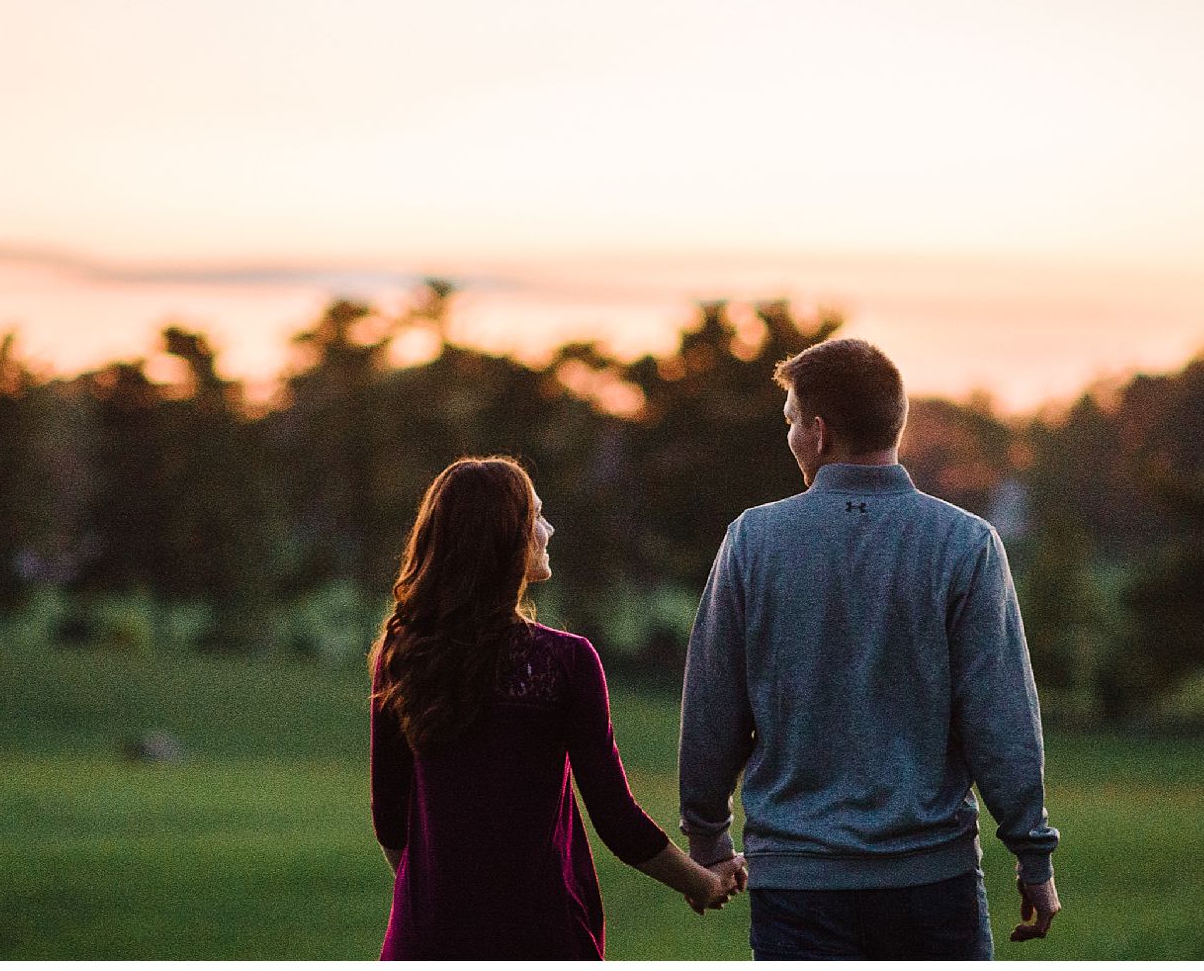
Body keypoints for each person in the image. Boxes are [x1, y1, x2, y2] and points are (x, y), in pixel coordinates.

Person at [678, 339, 1061, 959]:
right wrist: (1032, 856)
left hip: (798, 887)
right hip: (933, 885)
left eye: (792, 423)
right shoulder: (967, 545)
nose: (792, 438)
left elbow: (713, 707)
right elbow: (1000, 718)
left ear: (820, 432)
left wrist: (708, 842)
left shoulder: (752, 541)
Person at [370, 456, 746, 959]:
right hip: (542, 933)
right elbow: (615, 817)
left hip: (426, 938)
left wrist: (448, 899)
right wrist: (702, 882)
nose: (548, 529)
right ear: (505, 539)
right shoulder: (564, 663)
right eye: (536, 517)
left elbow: (391, 821)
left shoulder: (403, 659)